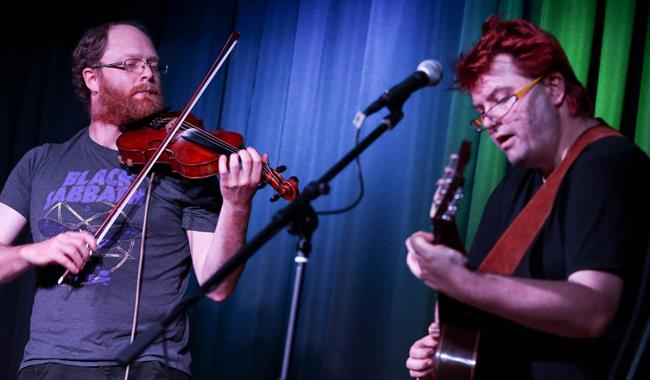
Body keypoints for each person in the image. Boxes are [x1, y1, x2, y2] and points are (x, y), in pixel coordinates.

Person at [0, 21, 264, 379]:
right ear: (92, 78)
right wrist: (33, 252)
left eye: (153, 65)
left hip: (148, 367)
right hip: (49, 365)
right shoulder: (40, 162)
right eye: (130, 64)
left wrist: (237, 204)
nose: (147, 74)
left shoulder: (182, 166)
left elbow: (217, 288)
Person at [405, 16, 650, 380]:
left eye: (501, 100)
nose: (490, 121)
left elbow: (594, 310)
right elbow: (475, 303)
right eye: (481, 112)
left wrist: (462, 281)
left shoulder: (604, 165)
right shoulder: (515, 185)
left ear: (553, 88)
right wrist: (442, 350)